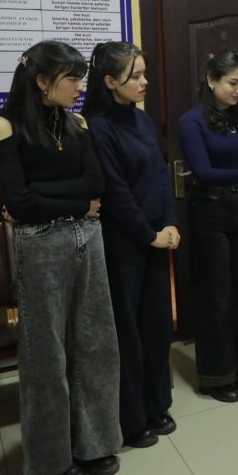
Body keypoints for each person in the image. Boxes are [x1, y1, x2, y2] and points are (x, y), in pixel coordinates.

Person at [0, 40, 121, 475]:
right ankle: (52, 460)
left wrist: (53, 195)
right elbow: (19, 201)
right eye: (72, 78)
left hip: (88, 238)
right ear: (42, 81)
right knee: (46, 356)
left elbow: (96, 182)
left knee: (96, 343)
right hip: (41, 243)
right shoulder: (3, 127)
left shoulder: (77, 123)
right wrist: (79, 202)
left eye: (81, 77)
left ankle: (95, 442)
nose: (80, 87)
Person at [84, 42, 180, 448]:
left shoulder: (141, 119)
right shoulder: (97, 126)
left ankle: (157, 405)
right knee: (127, 332)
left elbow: (160, 173)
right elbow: (115, 190)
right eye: (135, 76)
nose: (144, 82)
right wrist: (148, 233)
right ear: (109, 81)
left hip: (155, 236)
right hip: (124, 242)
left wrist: (170, 222)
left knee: (156, 326)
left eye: (144, 73)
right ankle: (131, 418)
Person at [179, 50, 238, 403]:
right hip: (211, 212)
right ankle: (216, 376)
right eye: (233, 83)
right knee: (216, 295)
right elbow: (204, 173)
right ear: (211, 80)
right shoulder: (191, 122)